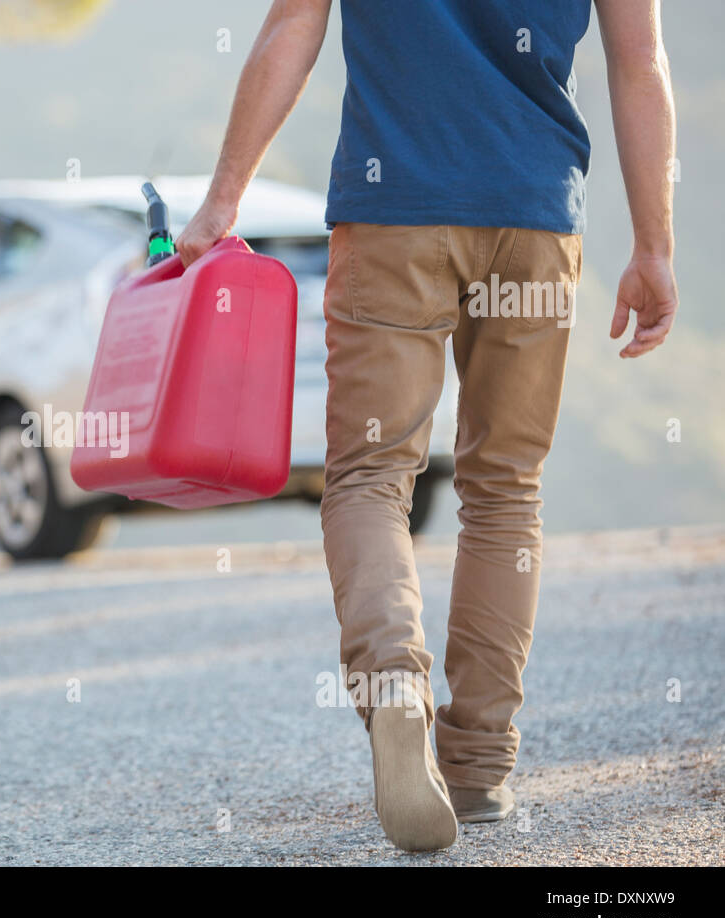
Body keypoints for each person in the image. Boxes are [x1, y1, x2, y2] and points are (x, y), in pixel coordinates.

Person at [177, 0, 678, 851]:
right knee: (504, 492)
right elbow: (642, 64)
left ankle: (394, 688)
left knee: (372, 475)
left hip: (393, 209)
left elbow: (291, 26)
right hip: (534, 217)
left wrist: (222, 202)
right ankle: (479, 766)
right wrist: (654, 245)